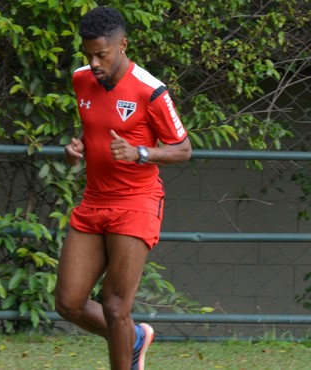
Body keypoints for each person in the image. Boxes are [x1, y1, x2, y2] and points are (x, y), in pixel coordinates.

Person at [54, 6, 191, 370]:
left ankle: (126, 350)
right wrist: (75, 149)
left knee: (116, 305)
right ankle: (133, 338)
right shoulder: (81, 79)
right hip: (94, 200)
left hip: (137, 201)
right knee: (68, 302)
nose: (94, 62)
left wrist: (140, 152)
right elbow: (94, 126)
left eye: (102, 53)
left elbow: (184, 149)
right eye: (88, 55)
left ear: (123, 45)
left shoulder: (150, 90)